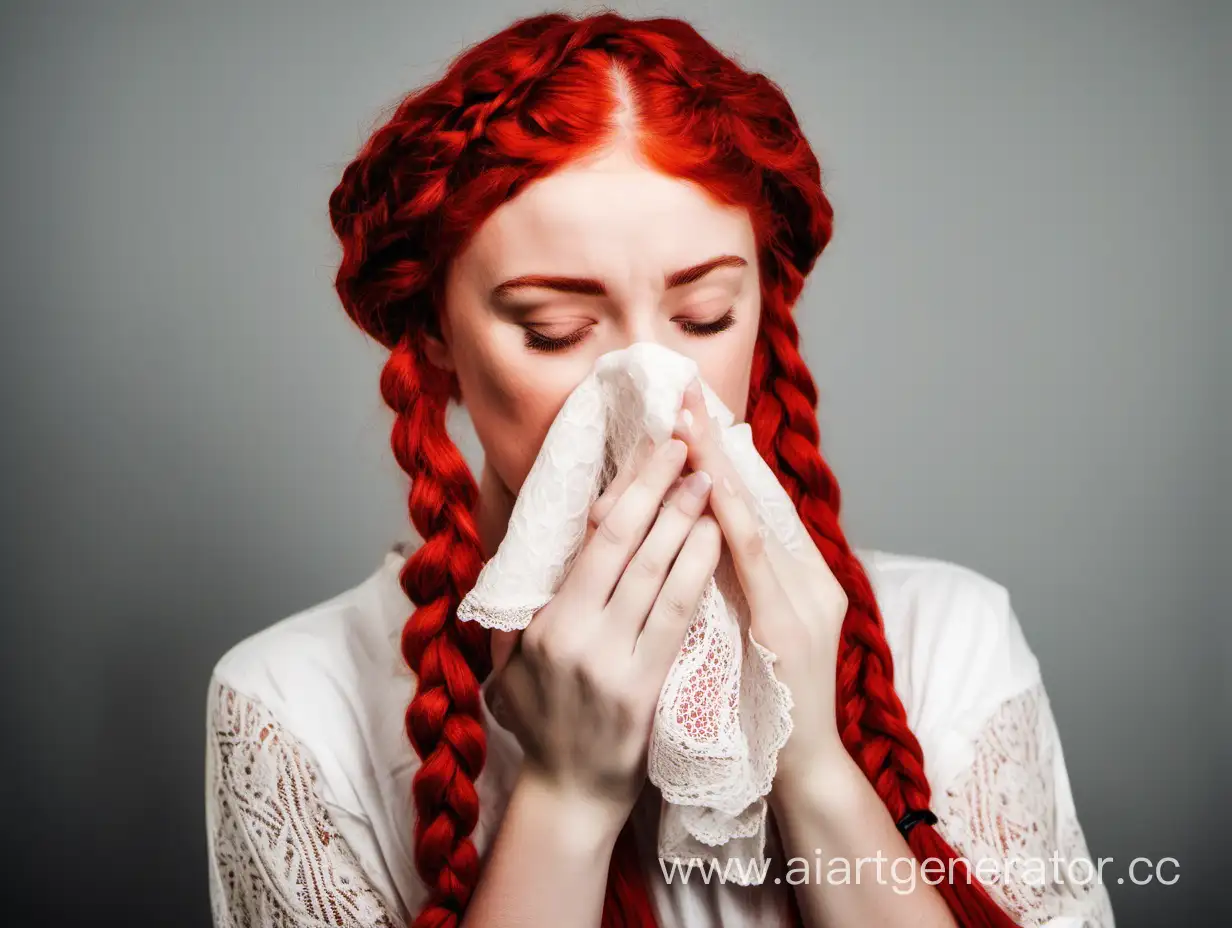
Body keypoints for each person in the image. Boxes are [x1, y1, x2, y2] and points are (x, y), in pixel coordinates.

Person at [204, 11, 1114, 928]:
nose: (651, 398)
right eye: (555, 331)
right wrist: (568, 795)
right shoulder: (293, 709)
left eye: (706, 317)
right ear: (437, 332)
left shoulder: (949, 645)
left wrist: (813, 763)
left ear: (763, 305)